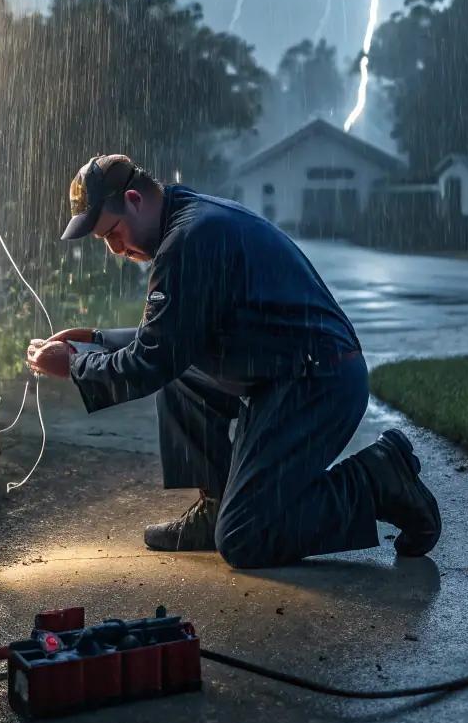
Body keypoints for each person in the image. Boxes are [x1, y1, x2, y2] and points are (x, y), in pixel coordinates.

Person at [26, 154, 441, 570]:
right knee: (183, 375)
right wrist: (98, 340)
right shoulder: (188, 218)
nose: (116, 249)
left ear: (133, 199)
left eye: (113, 233)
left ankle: (379, 480)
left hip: (318, 381)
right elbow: (175, 338)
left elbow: (153, 361)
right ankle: (216, 506)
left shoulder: (187, 240)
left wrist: (75, 367)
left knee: (245, 537)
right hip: (288, 371)